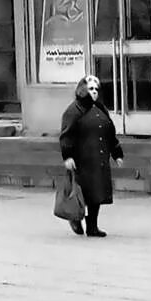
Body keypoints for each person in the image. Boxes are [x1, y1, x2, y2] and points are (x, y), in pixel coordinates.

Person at [59, 75, 124, 238]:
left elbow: (110, 133)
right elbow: (66, 135)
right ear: (82, 90)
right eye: (90, 89)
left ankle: (92, 226)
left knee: (97, 193)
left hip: (99, 159)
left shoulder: (100, 109)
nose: (94, 92)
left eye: (96, 89)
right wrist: (68, 156)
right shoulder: (74, 110)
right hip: (83, 159)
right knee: (82, 193)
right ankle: (75, 217)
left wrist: (117, 154)